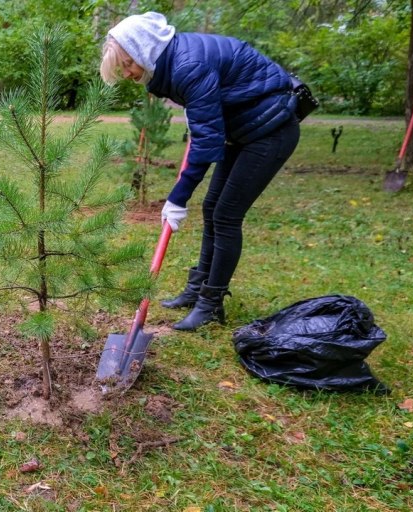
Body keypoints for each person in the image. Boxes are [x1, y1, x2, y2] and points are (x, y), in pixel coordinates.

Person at [100, 12, 301, 331]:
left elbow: (207, 141)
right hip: (241, 129)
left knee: (226, 215)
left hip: (270, 130)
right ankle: (197, 289)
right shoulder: (171, 62)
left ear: (144, 50)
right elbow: (205, 125)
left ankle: (210, 304)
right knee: (212, 207)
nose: (127, 73)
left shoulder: (187, 65)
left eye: (127, 64)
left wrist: (178, 197)